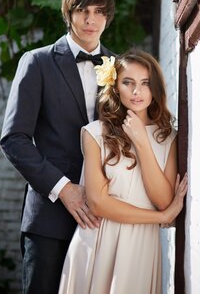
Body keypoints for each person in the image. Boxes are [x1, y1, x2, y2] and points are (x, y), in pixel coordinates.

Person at [0, 0, 116, 294]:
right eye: (82, 11)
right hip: (49, 219)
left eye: (98, 11)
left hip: (106, 217)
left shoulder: (120, 69)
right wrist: (64, 189)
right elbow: (14, 139)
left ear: (108, 15)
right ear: (68, 13)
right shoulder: (36, 63)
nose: (91, 20)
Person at [58, 49, 188, 294]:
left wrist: (141, 142)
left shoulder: (169, 138)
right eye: (128, 83)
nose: (137, 92)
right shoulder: (94, 133)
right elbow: (97, 204)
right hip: (98, 241)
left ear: (155, 89)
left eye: (145, 83)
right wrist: (161, 218)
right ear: (115, 87)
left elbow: (163, 201)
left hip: (141, 246)